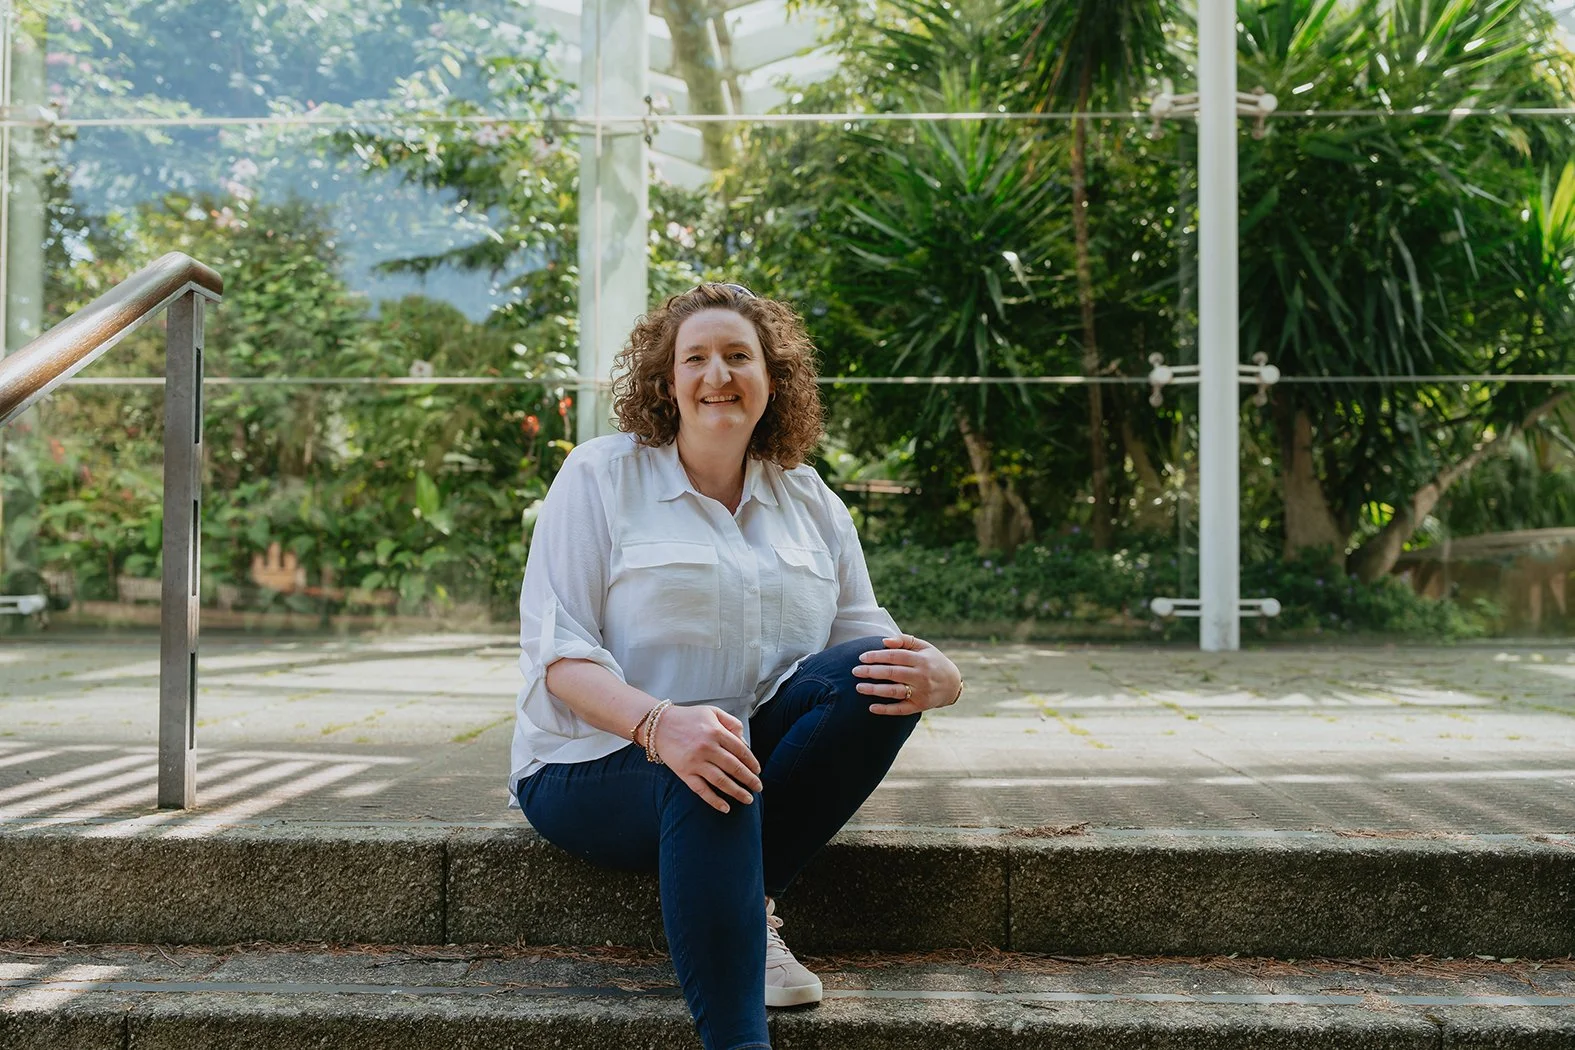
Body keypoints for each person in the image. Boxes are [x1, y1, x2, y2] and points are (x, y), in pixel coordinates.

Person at [509, 282, 964, 1050]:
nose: (716, 374)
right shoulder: (600, 477)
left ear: (771, 380)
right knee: (708, 757)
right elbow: (558, 658)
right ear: (666, 382)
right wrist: (660, 725)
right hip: (591, 762)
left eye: (737, 356)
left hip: (736, 756)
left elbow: (869, 642)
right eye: (695, 358)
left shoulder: (809, 500)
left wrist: (943, 679)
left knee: (871, 680)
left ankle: (745, 901)